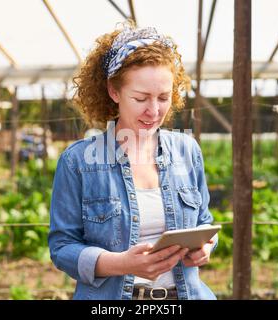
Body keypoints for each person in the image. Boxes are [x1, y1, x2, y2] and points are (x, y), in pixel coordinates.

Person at [48, 23, 218, 300]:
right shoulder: (77, 161)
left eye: (163, 97)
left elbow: (204, 222)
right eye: (141, 98)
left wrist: (206, 246)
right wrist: (122, 264)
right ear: (114, 92)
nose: (154, 111)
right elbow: (62, 248)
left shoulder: (187, 150)